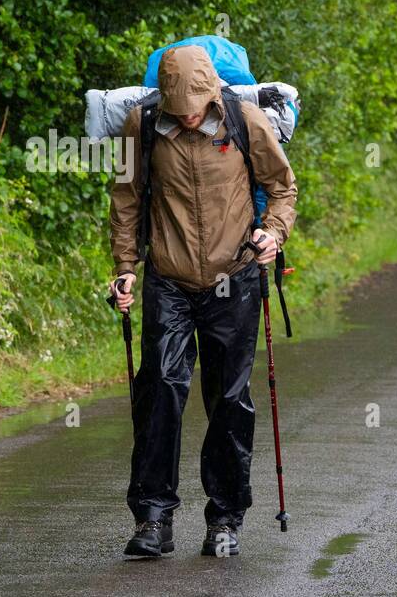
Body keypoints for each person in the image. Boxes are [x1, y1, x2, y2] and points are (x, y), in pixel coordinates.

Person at [108, 45, 298, 559]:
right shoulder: (141, 125)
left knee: (229, 398)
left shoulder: (246, 120)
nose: (189, 113)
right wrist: (125, 269)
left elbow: (282, 188)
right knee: (161, 390)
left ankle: (226, 517)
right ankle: (152, 518)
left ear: (212, 92)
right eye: (180, 105)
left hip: (232, 275)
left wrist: (272, 234)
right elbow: (126, 197)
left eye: (196, 103)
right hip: (167, 279)